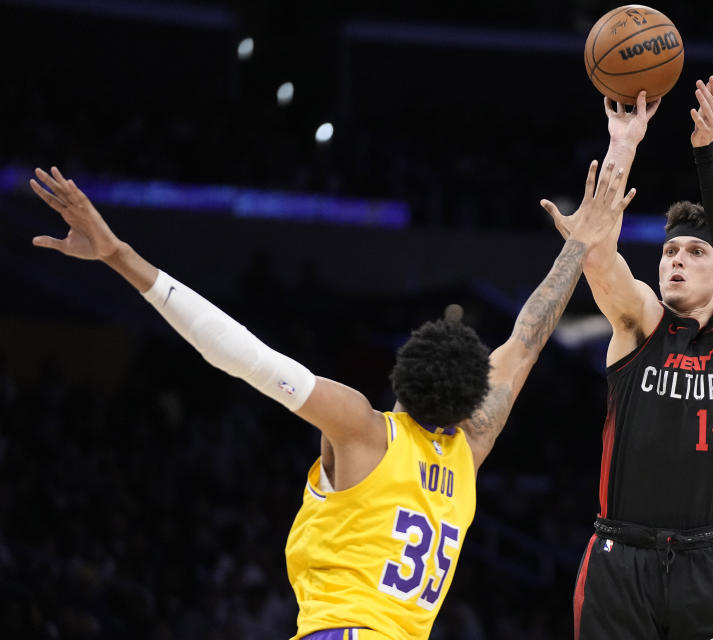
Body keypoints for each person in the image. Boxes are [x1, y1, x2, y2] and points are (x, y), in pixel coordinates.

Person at [29, 156, 643, 639]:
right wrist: (580, 245)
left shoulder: (362, 429)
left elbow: (243, 356)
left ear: (401, 376)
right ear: (469, 400)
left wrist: (120, 256)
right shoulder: (470, 448)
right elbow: (528, 336)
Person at [543, 77, 713, 639]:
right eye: (669, 250)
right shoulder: (641, 320)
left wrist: (706, 151)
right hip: (621, 557)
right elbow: (600, 260)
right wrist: (624, 143)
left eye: (695, 252)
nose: (677, 260)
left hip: (708, 563)